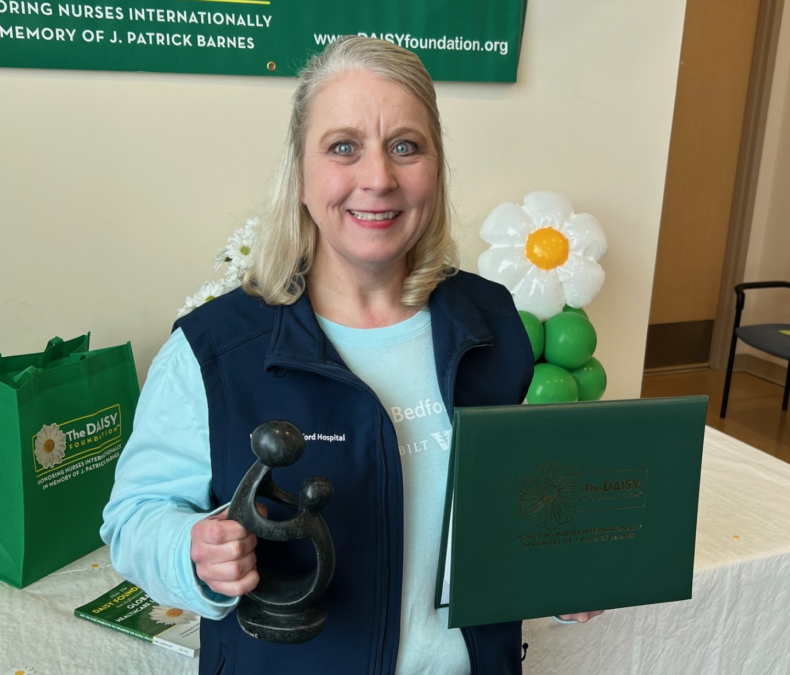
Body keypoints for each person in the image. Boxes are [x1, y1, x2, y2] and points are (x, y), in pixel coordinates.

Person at [101, 36, 600, 675]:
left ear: (436, 167)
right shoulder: (214, 351)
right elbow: (132, 520)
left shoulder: (493, 323)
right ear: (300, 176)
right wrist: (190, 552)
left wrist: (564, 567)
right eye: (343, 147)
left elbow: (519, 502)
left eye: (406, 146)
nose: (379, 179)